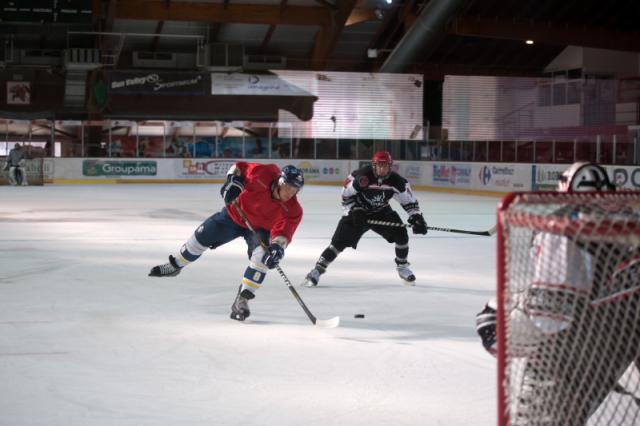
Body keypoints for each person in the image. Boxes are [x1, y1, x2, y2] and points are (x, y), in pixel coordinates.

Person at [476, 162, 640, 424]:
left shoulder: (560, 229)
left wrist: (497, 319)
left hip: (574, 358)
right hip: (623, 340)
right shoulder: (630, 221)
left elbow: (551, 317)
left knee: (491, 323)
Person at [149, 162, 304, 321]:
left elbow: (284, 232)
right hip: (233, 216)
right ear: (280, 181)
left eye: (295, 189)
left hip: (259, 230)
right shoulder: (263, 172)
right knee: (198, 240)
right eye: (288, 187)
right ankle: (175, 265)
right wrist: (232, 180)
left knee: (263, 258)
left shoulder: (293, 209)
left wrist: (278, 247)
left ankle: (242, 300)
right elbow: (238, 166)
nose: (291, 193)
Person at [303, 151, 427, 287]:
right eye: (379, 166)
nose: (382, 169)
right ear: (373, 166)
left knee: (401, 234)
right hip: (358, 211)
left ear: (390, 167)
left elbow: (409, 202)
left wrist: (416, 217)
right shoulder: (361, 177)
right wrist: (354, 210)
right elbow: (345, 196)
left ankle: (403, 267)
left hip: (382, 211)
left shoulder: (397, 181)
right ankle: (317, 270)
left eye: (385, 166)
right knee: (338, 243)